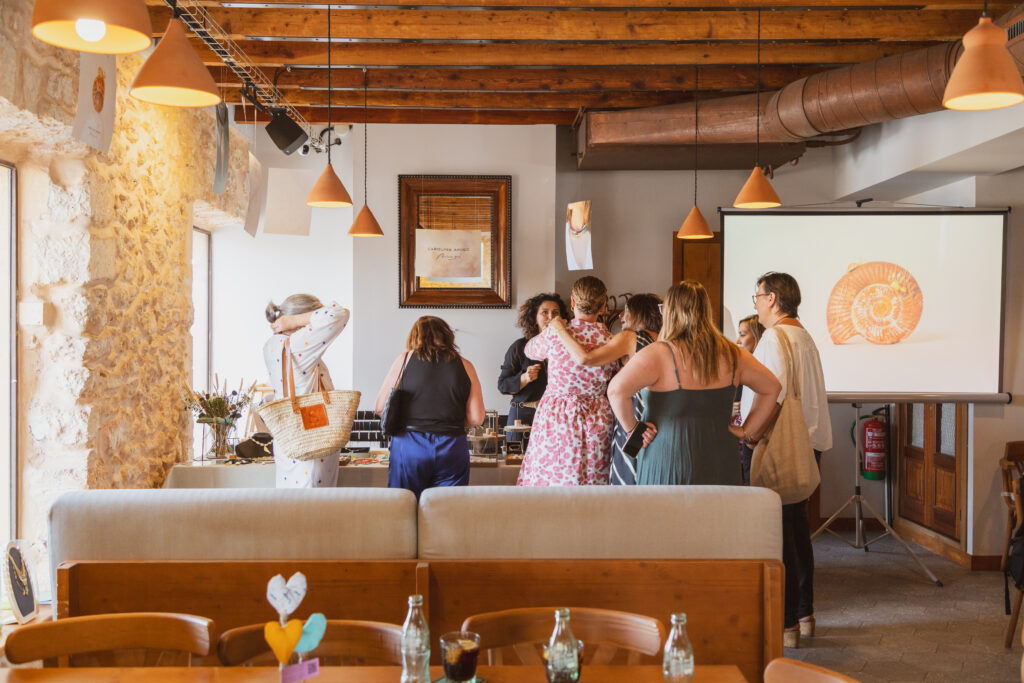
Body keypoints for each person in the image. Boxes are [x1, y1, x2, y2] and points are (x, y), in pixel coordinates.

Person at [738, 271, 833, 649]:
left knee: (779, 536)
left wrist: (748, 434)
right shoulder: (803, 335)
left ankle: (788, 622)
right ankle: (805, 614)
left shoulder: (775, 338)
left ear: (773, 298)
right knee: (797, 532)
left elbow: (771, 397)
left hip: (781, 443)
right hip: (807, 443)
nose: (756, 303)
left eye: (758, 296)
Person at [607, 281, 780, 486]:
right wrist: (746, 431)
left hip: (667, 460)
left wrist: (633, 429)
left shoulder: (657, 354)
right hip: (720, 459)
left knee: (665, 517)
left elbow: (616, 390)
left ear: (670, 312)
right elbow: (772, 388)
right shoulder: (734, 354)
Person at [550, 293, 662, 485]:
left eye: (626, 311)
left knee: (628, 482)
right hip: (659, 420)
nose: (621, 316)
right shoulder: (663, 341)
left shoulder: (631, 337)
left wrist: (560, 329)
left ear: (637, 314)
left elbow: (586, 359)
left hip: (633, 419)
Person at [516, 276, 617, 486]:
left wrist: (555, 329)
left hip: (558, 413)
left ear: (572, 302)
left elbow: (529, 350)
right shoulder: (611, 340)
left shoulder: (555, 334)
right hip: (597, 414)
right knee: (593, 479)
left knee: (552, 477)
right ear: (604, 305)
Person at [375, 316, 485, 499]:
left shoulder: (405, 359)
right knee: (447, 510)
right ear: (448, 335)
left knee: (404, 506)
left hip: (409, 445)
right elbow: (476, 418)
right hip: (452, 445)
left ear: (414, 336)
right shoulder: (466, 365)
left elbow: (380, 407)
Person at [263, 295, 350, 488]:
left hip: (289, 437)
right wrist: (295, 320)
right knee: (315, 504)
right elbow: (339, 313)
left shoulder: (272, 344)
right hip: (312, 431)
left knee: (293, 504)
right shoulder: (296, 344)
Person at [497, 293, 570, 445]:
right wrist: (523, 378)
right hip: (522, 416)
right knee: (516, 465)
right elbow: (503, 385)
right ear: (534, 318)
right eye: (544, 312)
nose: (550, 317)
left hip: (557, 416)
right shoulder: (519, 347)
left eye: (555, 312)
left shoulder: (569, 347)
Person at [733, 314, 766, 485]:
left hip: (753, 439)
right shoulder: (738, 367)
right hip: (740, 440)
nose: (737, 340)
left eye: (743, 334)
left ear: (758, 335)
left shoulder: (764, 370)